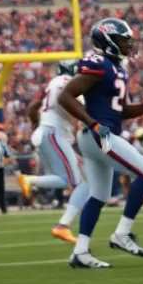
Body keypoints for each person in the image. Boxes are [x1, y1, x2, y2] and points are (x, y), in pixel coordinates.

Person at [57, 18, 143, 269]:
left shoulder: (116, 68)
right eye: (122, 40)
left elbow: (119, 112)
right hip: (98, 135)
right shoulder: (98, 63)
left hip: (98, 135)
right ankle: (122, 234)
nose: (127, 44)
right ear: (107, 41)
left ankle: (80, 252)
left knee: (98, 196)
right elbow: (65, 96)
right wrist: (93, 123)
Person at [18, 60, 91, 242]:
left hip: (52, 134)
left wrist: (38, 123)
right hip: (54, 133)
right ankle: (62, 225)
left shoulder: (54, 83)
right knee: (79, 183)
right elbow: (75, 107)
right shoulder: (66, 83)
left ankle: (63, 225)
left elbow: (34, 107)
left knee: (76, 181)